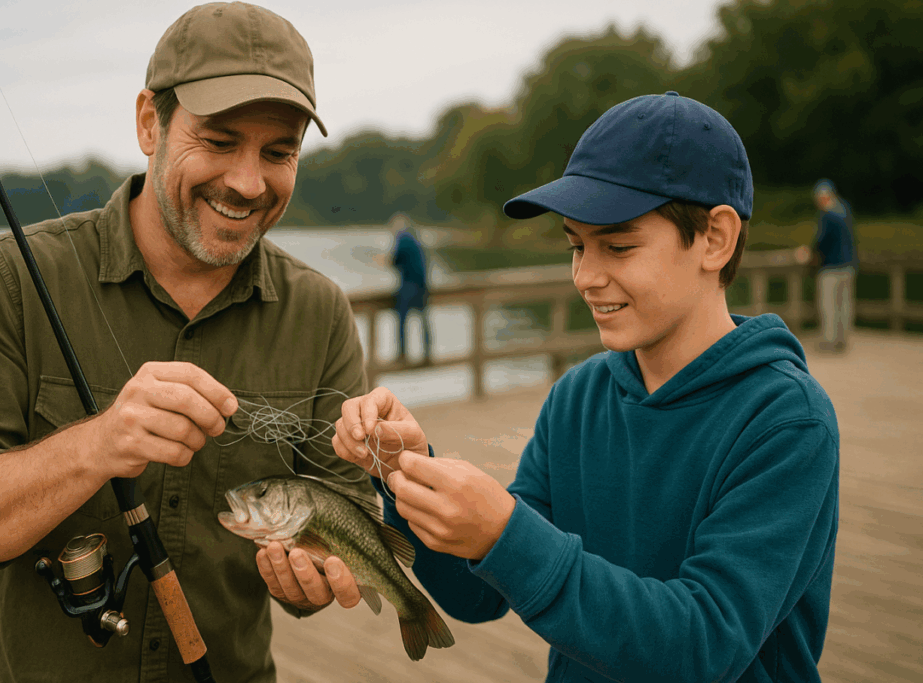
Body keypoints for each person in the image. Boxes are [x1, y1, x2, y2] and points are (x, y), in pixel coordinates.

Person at [0, 3, 370, 680]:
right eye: (217, 140)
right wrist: (96, 443)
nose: (247, 181)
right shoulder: (10, 279)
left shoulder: (320, 311)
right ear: (151, 122)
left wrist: (316, 576)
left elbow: (341, 513)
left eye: (278, 151)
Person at [330, 93, 841, 682]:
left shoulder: (786, 422)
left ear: (715, 239)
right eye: (576, 245)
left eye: (618, 247)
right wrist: (403, 472)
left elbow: (703, 646)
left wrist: (506, 531)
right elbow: (480, 596)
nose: (587, 277)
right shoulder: (577, 397)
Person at [812, 179, 857, 352]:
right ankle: (843, 339)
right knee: (845, 305)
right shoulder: (845, 210)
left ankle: (829, 341)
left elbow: (821, 241)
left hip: (830, 267)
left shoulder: (827, 215)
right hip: (848, 266)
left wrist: (810, 252)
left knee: (829, 305)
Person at [389, 213, 432, 364]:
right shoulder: (415, 239)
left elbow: (396, 259)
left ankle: (402, 355)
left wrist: (388, 261)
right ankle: (427, 354)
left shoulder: (403, 238)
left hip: (409, 284)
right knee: (423, 318)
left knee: (401, 319)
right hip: (422, 283)